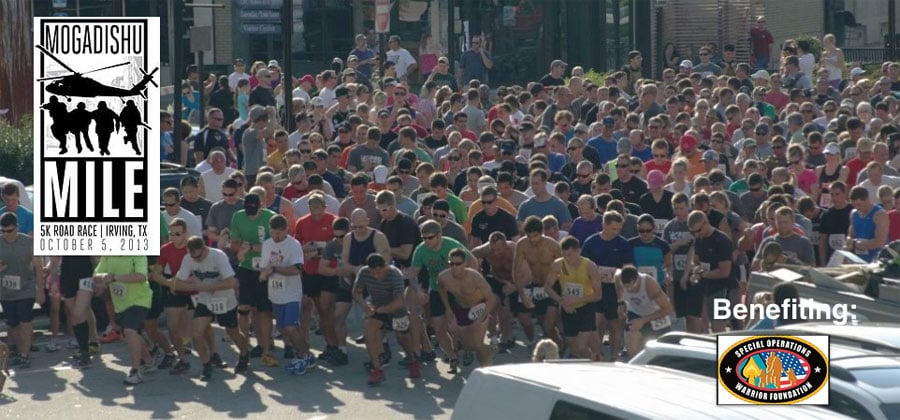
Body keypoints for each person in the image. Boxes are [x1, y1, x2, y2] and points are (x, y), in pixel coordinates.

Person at [169, 236, 251, 380]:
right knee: (196, 333)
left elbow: (231, 282)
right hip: (205, 300)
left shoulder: (218, 256)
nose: (197, 260)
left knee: (232, 332)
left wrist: (206, 286)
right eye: (193, 257)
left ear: (205, 248)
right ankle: (206, 365)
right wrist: (195, 285)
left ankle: (244, 353)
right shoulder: (188, 259)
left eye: (199, 257)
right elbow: (178, 284)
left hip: (225, 299)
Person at [406, 220, 475, 373]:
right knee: (438, 328)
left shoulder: (451, 245)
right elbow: (413, 273)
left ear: (439, 236)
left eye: (430, 238)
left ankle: (468, 349)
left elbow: (473, 262)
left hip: (457, 290)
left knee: (456, 326)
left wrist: (468, 284)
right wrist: (418, 290)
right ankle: (452, 357)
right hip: (437, 289)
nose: (426, 241)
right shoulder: (421, 250)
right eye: (423, 238)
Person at [354, 253, 421, 385]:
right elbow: (356, 292)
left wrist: (381, 310)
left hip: (396, 309)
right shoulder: (364, 272)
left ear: (385, 266)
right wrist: (364, 304)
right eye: (373, 273)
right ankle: (377, 369)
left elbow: (399, 302)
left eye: (379, 273)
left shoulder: (395, 275)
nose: (376, 276)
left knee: (402, 338)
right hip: (376, 305)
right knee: (368, 331)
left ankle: (412, 360)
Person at [259, 215, 313, 375]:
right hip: (275, 293)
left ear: (285, 230)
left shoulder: (293, 245)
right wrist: (264, 273)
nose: (275, 237)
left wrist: (275, 269)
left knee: (291, 326)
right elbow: (264, 266)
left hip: (291, 293)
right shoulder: (267, 244)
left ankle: (304, 356)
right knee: (282, 327)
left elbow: (297, 268)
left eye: (278, 234)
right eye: (273, 233)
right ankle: (304, 354)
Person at [229, 189, 277, 367]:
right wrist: (240, 247)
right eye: (248, 211)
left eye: (254, 211)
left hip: (265, 268)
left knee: (264, 311)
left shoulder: (270, 217)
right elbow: (234, 243)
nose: (251, 215)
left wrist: (252, 247)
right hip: (246, 268)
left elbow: (275, 245)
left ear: (261, 206)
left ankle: (266, 350)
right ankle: (244, 349)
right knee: (243, 308)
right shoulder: (238, 217)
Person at [92, 255, 153, 385]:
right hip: (120, 303)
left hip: (140, 300)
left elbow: (142, 276)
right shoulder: (108, 255)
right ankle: (148, 361)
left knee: (130, 330)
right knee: (131, 334)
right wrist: (103, 276)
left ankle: (135, 371)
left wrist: (115, 277)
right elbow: (96, 274)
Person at [437, 248, 498, 368]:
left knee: (476, 344)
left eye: (458, 264)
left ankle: (486, 367)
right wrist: (447, 308)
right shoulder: (443, 277)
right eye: (451, 263)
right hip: (461, 308)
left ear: (465, 263)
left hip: (479, 306)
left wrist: (481, 317)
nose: (454, 267)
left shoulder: (475, 277)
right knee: (455, 330)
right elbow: (441, 289)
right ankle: (471, 350)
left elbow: (491, 299)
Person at [544, 237, 602, 360]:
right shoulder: (558, 264)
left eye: (569, 255)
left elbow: (598, 295)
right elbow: (548, 287)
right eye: (564, 255)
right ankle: (592, 360)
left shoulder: (590, 266)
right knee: (574, 348)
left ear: (578, 251)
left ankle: (595, 362)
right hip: (567, 308)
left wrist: (575, 301)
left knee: (581, 346)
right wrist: (562, 302)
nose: (567, 259)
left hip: (586, 306)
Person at [0, 213, 44, 369]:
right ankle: (16, 351)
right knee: (12, 323)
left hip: (26, 288)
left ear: (17, 228)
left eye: (9, 231)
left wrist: (40, 290)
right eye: (3, 231)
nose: (6, 234)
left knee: (25, 319)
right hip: (5, 290)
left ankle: (24, 354)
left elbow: (38, 268)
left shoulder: (29, 242)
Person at [512, 216, 563, 348]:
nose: (532, 239)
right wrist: (522, 294)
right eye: (529, 236)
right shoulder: (522, 245)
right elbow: (516, 271)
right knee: (544, 326)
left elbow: (565, 269)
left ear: (541, 233)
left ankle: (560, 346)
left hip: (553, 285)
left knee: (549, 324)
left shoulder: (553, 245)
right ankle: (558, 346)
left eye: (535, 236)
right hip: (536, 286)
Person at [687, 210, 733, 333]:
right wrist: (695, 270)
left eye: (698, 230)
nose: (696, 234)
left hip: (721, 287)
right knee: (701, 323)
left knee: (718, 325)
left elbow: (724, 272)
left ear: (706, 223)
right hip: (704, 286)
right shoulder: (699, 239)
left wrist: (703, 274)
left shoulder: (721, 240)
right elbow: (695, 260)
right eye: (693, 232)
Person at [617, 266, 673, 357]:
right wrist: (620, 303)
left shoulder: (649, 285)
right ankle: (636, 365)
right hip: (635, 313)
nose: (628, 289)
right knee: (631, 346)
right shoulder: (618, 278)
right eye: (625, 286)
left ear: (637, 279)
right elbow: (618, 289)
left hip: (655, 315)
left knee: (658, 353)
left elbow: (668, 309)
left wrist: (643, 320)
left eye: (630, 286)